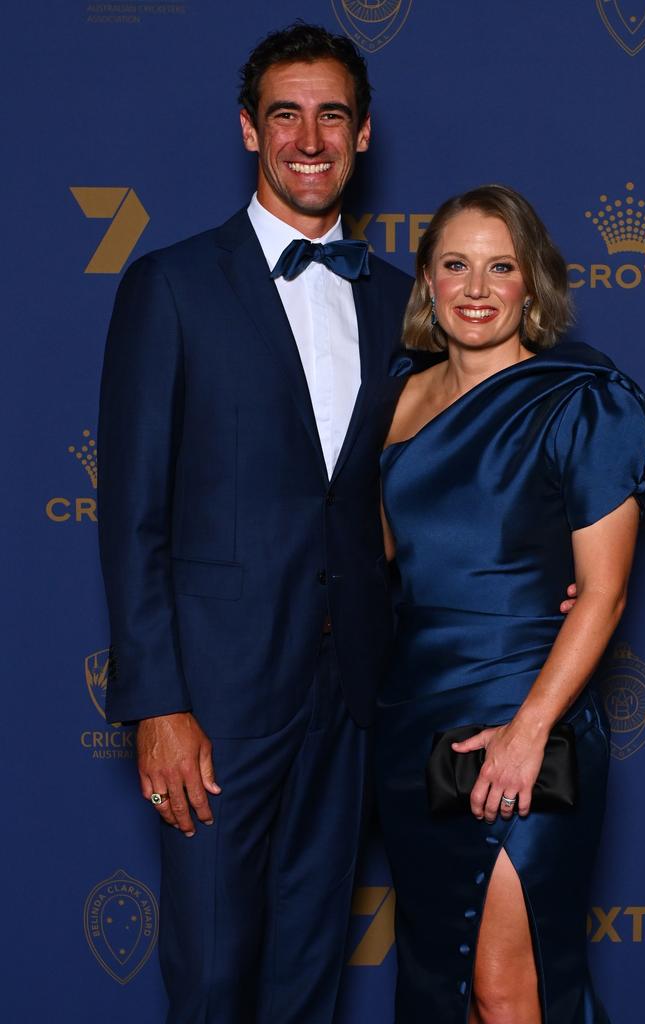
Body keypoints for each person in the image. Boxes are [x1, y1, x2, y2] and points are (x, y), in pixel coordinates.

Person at [97, 23, 414, 1024]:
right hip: (217, 706)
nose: (309, 138)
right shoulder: (173, 285)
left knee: (307, 979)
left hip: (352, 698)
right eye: (286, 114)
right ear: (249, 130)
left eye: (332, 116)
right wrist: (158, 703)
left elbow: (426, 496)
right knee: (214, 978)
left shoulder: (406, 305)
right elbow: (133, 512)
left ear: (363, 136)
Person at [376, 185, 645, 1024]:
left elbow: (604, 592)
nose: (476, 287)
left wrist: (529, 733)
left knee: (512, 994)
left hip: (526, 714)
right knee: (454, 988)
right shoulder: (396, 399)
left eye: (500, 267)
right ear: (427, 282)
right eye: (455, 265)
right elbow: (377, 559)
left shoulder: (583, 399)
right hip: (416, 718)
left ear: (531, 287)